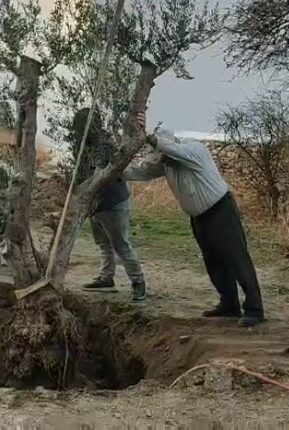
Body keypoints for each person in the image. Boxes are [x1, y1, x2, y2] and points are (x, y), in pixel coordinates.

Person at [124, 112, 264, 327]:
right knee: (213, 261)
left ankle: (254, 308)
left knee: (236, 258)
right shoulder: (166, 162)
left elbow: (172, 150)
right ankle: (228, 303)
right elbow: (140, 172)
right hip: (199, 217)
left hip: (221, 210)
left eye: (162, 153)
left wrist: (149, 137)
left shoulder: (194, 149)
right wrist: (115, 169)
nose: (161, 160)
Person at [72, 109, 147, 302]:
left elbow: (99, 175)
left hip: (112, 203)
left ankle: (138, 283)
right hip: (95, 205)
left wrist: (81, 193)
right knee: (102, 243)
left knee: (121, 244)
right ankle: (106, 278)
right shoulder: (82, 146)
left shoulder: (104, 145)